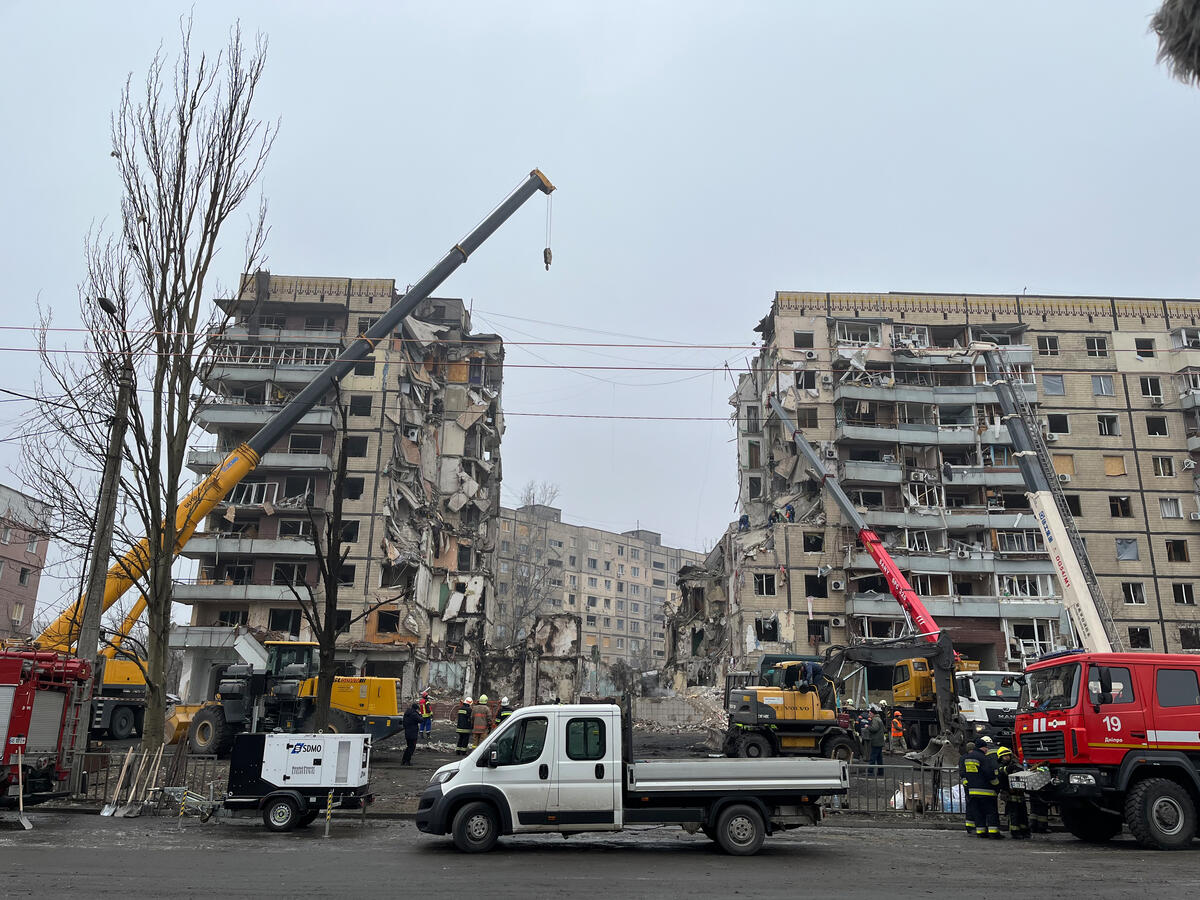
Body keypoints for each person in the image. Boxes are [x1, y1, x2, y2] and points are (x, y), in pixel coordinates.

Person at [960, 738, 1001, 838]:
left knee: (978, 813)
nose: (987, 749)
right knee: (991, 812)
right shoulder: (984, 758)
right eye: (986, 747)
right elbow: (989, 774)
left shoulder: (967, 758)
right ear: (982, 748)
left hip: (972, 791)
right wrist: (997, 785)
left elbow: (964, 773)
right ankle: (993, 833)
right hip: (986, 791)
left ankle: (981, 832)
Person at [996, 746, 1030, 839]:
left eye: (1008, 755)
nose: (1006, 757)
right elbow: (1006, 771)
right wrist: (1015, 767)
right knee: (1013, 814)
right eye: (1004, 756)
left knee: (1023, 813)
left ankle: (1025, 831)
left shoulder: (1015, 765)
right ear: (1000, 758)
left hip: (1019, 793)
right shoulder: (1000, 767)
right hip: (1009, 794)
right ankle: (1015, 832)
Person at [865, 706, 886, 775]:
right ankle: (881, 772)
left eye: (869, 713)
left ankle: (870, 772)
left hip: (876, 742)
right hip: (880, 741)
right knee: (879, 759)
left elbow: (874, 728)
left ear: (872, 713)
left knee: (872, 757)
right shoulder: (879, 719)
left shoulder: (875, 720)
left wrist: (868, 727)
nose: (869, 714)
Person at [401, 702, 421, 766]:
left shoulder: (406, 713)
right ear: (416, 708)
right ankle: (407, 761)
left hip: (407, 732)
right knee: (411, 747)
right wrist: (419, 714)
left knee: (408, 747)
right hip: (413, 733)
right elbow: (421, 720)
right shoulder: (414, 714)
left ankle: (403, 760)